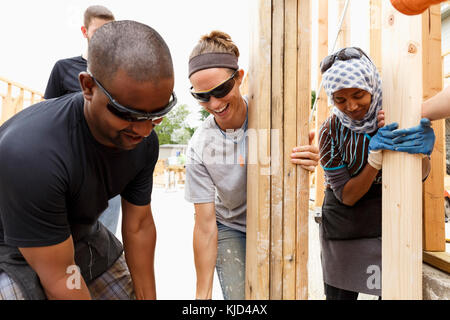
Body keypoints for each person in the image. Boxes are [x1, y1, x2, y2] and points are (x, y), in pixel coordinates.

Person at [0, 20, 176, 300]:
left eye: (155, 115)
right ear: (88, 86)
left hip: (79, 234)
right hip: (11, 249)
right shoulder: (33, 154)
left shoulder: (144, 142)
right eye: (127, 114)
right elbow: (60, 277)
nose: (143, 130)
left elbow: (139, 226)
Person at [184, 31, 320, 300]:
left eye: (221, 90)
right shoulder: (200, 146)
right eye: (202, 97)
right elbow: (205, 225)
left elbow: (297, 163)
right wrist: (202, 294)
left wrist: (307, 158)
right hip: (230, 226)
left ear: (239, 77)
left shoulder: (275, 118)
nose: (214, 103)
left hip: (276, 221)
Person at [317, 47, 434, 300]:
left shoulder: (397, 114)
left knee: (395, 291)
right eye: (340, 99)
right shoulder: (330, 131)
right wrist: (374, 160)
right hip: (345, 226)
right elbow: (347, 196)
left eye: (359, 95)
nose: (351, 106)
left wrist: (421, 155)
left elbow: (419, 177)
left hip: (390, 224)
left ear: (371, 85)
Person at [44, 5, 121, 235]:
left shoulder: (120, 72)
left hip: (107, 169)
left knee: (104, 243)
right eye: (98, 32)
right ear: (84, 31)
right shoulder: (63, 68)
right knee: (65, 241)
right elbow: (46, 117)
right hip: (68, 169)